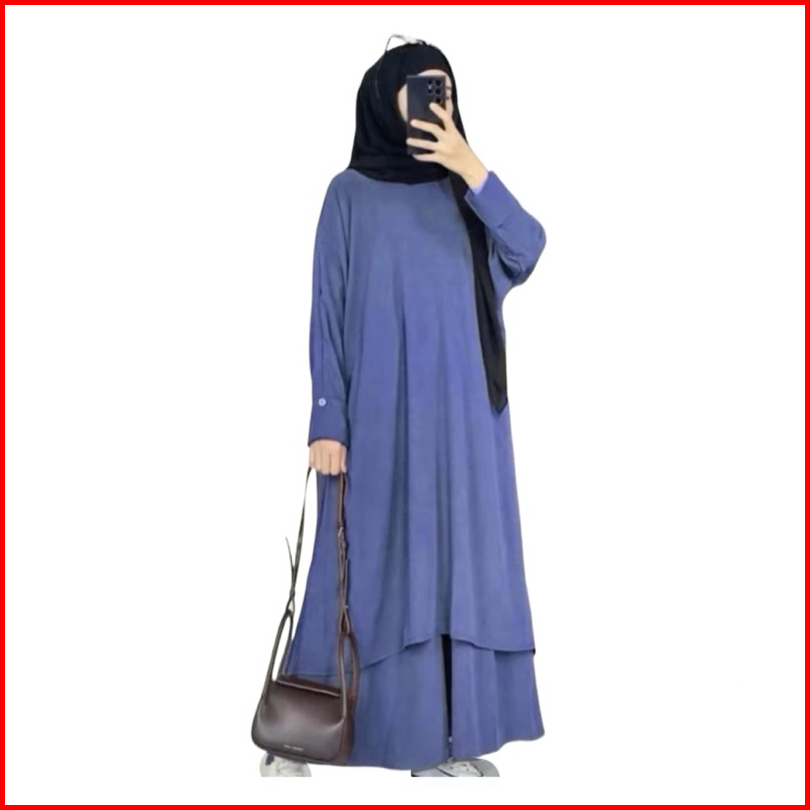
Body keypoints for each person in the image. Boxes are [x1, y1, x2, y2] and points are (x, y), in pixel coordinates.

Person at [261, 36, 547, 778]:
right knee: (354, 571)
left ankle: (440, 743)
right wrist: (327, 416)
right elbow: (326, 310)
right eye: (420, 86)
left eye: (445, 88)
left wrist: (470, 166)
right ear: (385, 97)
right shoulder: (348, 195)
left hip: (464, 430)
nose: (435, 99)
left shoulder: (466, 197)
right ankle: (295, 735)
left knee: (453, 575)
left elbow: (528, 248)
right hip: (378, 424)